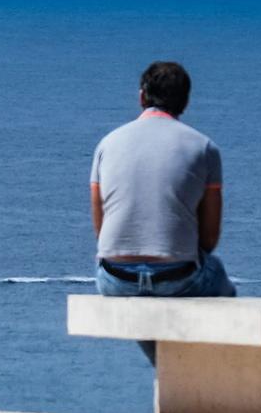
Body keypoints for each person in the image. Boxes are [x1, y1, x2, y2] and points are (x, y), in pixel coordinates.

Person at [90, 61, 234, 357]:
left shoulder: (107, 144)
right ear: (185, 101)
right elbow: (209, 240)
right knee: (217, 274)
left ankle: (167, 368)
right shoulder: (204, 147)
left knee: (146, 311)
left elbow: (100, 229)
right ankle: (206, 368)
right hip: (178, 276)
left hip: (115, 278)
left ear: (142, 96)